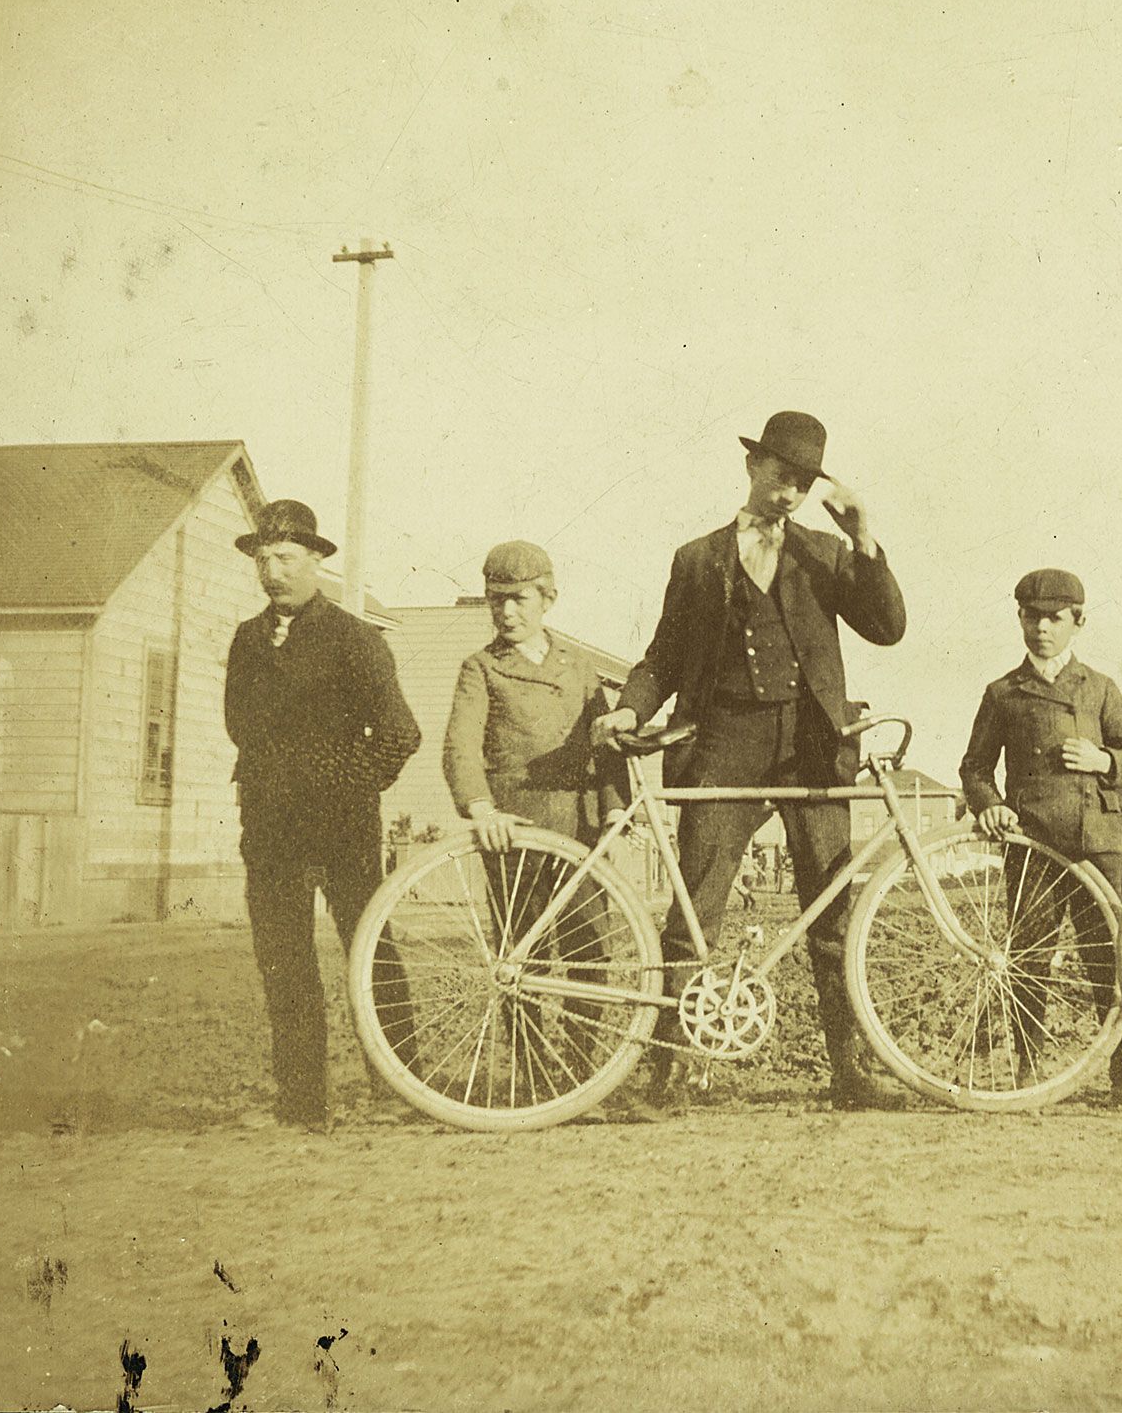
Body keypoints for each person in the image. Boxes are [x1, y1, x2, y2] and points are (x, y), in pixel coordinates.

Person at [594, 410, 909, 1113]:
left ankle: (849, 1069)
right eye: (780, 475)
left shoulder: (827, 555)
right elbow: (663, 656)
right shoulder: (696, 558)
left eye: (802, 482)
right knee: (695, 906)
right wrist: (631, 708)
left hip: (812, 748)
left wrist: (863, 537)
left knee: (833, 909)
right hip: (723, 743)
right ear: (752, 467)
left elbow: (888, 627)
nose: (789, 493)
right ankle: (667, 1072)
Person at [223, 499, 420, 1130]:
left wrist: (339, 785)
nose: (272, 572)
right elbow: (240, 727)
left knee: (369, 952)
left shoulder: (354, 638)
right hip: (270, 829)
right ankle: (302, 1102)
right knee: (283, 959)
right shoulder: (246, 640)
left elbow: (399, 733)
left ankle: (404, 1086)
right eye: (263, 560)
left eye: (285, 558)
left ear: (315, 561)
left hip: (343, 829)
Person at [958, 569, 1122, 1103]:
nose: (1042, 628)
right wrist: (991, 807)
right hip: (1034, 843)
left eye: (1054, 618)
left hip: (1096, 843)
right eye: (1031, 616)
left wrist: (1103, 758)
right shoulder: (1003, 693)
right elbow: (974, 768)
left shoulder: (1101, 688)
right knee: (1028, 958)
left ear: (1077, 622)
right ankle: (1027, 1066)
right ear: (1019, 618)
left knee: (1108, 956)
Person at [442, 540, 622, 1018]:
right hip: (514, 831)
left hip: (581, 830)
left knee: (589, 947)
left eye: (519, 598)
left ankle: (582, 1071)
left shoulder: (580, 666)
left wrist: (615, 807)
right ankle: (532, 1077)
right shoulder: (480, 668)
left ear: (548, 599)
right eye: (495, 598)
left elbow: (605, 743)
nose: (505, 611)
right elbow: (460, 746)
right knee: (520, 957)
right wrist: (481, 808)